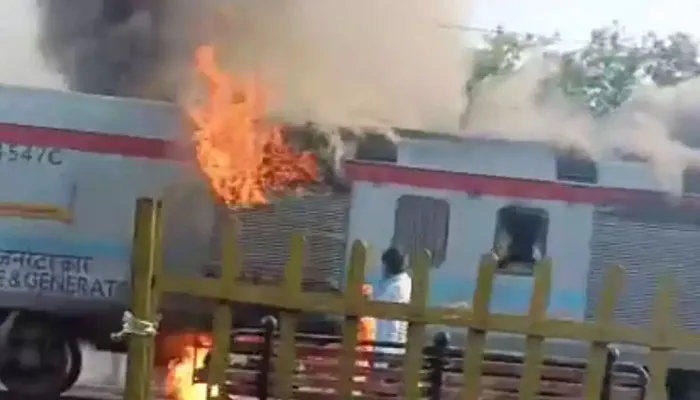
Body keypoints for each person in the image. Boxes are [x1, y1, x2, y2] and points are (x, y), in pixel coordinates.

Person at [374, 247, 412, 354]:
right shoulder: (405, 282)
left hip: (389, 342)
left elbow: (378, 305)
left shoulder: (396, 288)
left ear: (388, 266)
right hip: (393, 341)